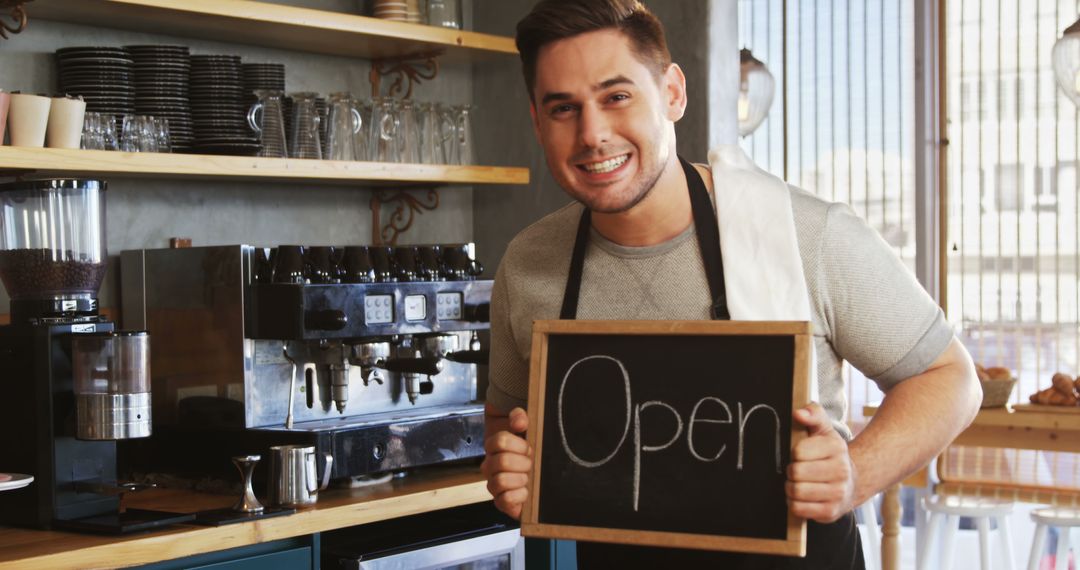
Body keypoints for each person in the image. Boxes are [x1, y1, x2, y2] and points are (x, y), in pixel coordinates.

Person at [480, 0, 982, 567]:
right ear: (537, 122)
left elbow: (951, 379)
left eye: (616, 96)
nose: (593, 133)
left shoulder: (807, 234)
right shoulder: (527, 264)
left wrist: (853, 477)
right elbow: (509, 418)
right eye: (563, 108)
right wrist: (510, 467)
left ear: (672, 93)